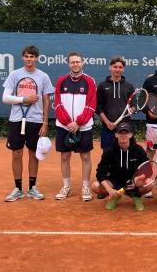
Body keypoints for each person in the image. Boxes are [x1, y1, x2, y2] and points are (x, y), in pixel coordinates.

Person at [2, 45, 54, 202]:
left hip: (36, 121)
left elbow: (46, 100)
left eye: (32, 56)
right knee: (16, 153)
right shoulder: (14, 75)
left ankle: (32, 188)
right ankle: (18, 189)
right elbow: (5, 98)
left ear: (36, 58)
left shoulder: (43, 76)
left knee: (33, 154)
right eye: (26, 56)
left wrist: (45, 122)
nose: (29, 59)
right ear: (22, 58)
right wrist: (24, 99)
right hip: (16, 119)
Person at [53, 51, 97, 201]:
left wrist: (78, 122)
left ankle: (85, 187)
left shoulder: (90, 81)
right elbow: (57, 104)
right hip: (64, 126)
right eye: (72, 62)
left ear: (82, 62)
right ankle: (66, 186)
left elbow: (91, 105)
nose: (75, 64)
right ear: (68, 64)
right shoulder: (61, 81)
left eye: (78, 61)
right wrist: (68, 122)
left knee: (85, 156)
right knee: (65, 156)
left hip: (83, 126)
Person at [91, 122, 152, 211]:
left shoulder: (138, 150)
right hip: (115, 182)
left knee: (149, 182)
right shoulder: (109, 151)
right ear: (116, 135)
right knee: (95, 186)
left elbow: (148, 169)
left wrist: (138, 178)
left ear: (131, 135)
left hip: (133, 183)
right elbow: (100, 173)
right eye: (120, 133)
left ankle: (136, 196)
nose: (123, 135)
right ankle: (116, 196)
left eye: (126, 133)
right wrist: (109, 190)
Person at [96, 56, 135, 150]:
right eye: (115, 67)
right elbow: (98, 106)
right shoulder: (102, 86)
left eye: (120, 67)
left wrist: (132, 110)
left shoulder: (129, 86)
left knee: (126, 155)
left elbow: (134, 105)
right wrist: (107, 122)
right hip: (108, 128)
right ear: (110, 67)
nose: (117, 69)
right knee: (107, 155)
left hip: (125, 128)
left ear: (123, 69)